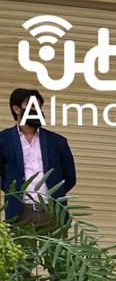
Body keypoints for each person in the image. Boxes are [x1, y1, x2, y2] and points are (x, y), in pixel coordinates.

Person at [1, 89, 75, 227]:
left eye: (39, 107)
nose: (37, 111)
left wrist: (55, 193)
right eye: (32, 106)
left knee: (54, 249)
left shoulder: (58, 141)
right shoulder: (3, 140)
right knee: (20, 249)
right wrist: (14, 193)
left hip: (53, 213)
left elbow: (69, 178)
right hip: (19, 213)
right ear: (16, 109)